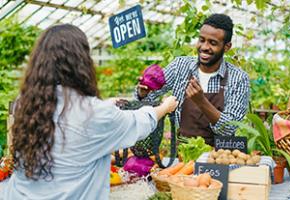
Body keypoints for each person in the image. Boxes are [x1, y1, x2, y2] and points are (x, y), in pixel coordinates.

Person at [0, 24, 178, 200]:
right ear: (81, 62)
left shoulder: (26, 104)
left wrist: (104, 104)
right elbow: (137, 121)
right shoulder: (94, 113)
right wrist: (164, 107)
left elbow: (67, 118)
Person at [136, 14, 250, 146]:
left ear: (227, 46)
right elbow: (148, 99)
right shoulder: (180, 66)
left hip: (219, 157)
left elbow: (229, 128)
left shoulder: (239, 79)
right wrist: (143, 93)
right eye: (202, 40)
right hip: (183, 152)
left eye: (213, 43)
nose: (204, 47)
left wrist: (201, 102)